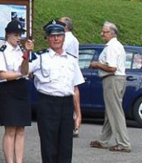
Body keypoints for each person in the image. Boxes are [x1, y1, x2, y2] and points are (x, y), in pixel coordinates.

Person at [27, 20, 84, 163]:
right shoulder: (39, 57)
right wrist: (27, 53)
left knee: (66, 146)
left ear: (64, 37)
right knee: (49, 145)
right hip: (48, 103)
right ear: (47, 38)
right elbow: (23, 72)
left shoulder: (71, 60)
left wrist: (78, 114)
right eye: (52, 36)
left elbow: (75, 88)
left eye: (59, 35)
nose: (56, 39)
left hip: (66, 104)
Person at [89, 21, 131, 153]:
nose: (102, 34)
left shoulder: (112, 47)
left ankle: (123, 143)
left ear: (112, 33)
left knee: (115, 112)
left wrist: (96, 64)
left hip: (112, 79)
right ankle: (103, 140)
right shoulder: (117, 45)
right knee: (111, 111)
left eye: (104, 32)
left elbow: (112, 68)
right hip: (117, 79)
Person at [0, 20, 32, 163]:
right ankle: (10, 161)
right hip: (8, 89)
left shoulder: (20, 50)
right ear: (8, 35)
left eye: (20, 35)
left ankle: (19, 160)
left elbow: (25, 70)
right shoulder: (2, 51)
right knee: (10, 129)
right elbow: (2, 75)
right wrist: (19, 75)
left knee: (21, 128)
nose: (18, 38)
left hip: (21, 88)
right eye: (16, 35)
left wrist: (27, 53)